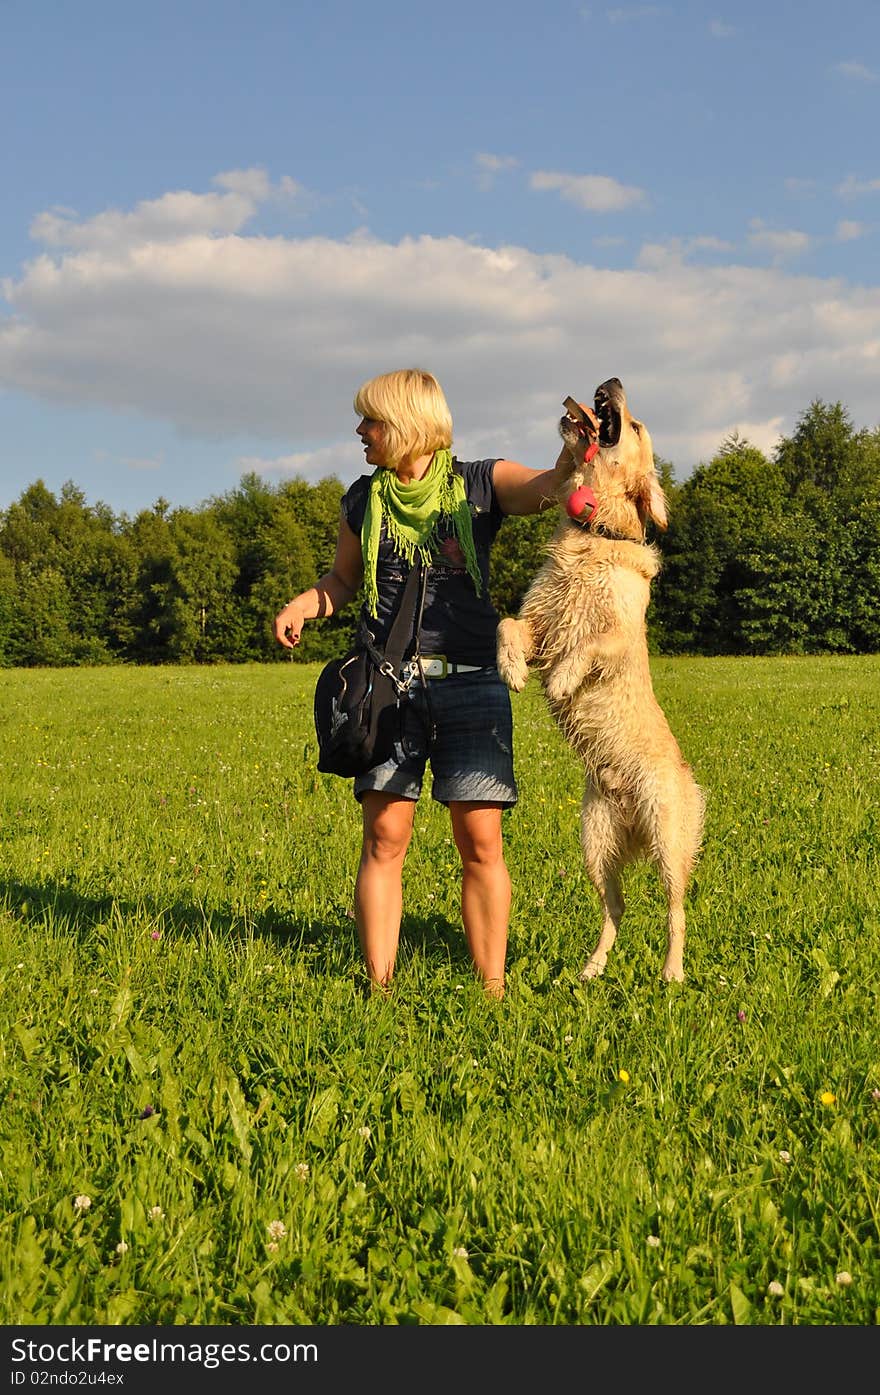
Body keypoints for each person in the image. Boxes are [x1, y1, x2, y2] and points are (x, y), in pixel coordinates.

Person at [274, 368, 577, 1000]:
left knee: (481, 841)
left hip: (472, 682)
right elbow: (341, 582)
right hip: (387, 690)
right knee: (385, 837)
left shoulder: (480, 485)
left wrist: (580, 449)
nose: (361, 432)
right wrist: (305, 605)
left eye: (372, 421)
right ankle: (378, 987)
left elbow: (550, 488)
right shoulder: (362, 500)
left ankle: (491, 988)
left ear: (410, 425)